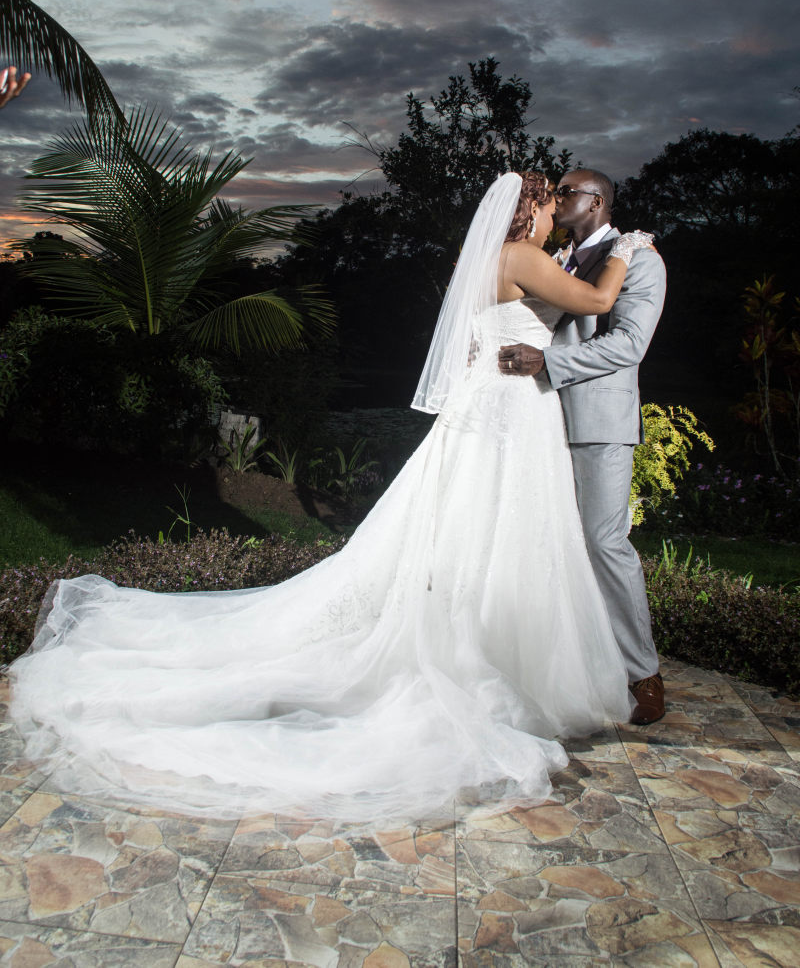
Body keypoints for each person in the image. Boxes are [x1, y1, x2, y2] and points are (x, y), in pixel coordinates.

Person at [9, 172, 651, 825]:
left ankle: (496, 644)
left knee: (476, 530)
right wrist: (631, 246)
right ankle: (500, 658)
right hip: (511, 413)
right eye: (545, 205)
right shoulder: (522, 256)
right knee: (506, 530)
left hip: (490, 407)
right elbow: (598, 300)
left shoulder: (493, 258)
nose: (550, 215)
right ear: (527, 211)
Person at [498, 169, 667, 724]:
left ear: (595, 201)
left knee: (602, 542)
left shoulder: (640, 259)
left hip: (597, 422)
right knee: (549, 542)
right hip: (539, 419)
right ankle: (572, 664)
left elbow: (629, 344)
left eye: (566, 192)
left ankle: (643, 672)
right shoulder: (553, 260)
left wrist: (551, 362)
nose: (555, 199)